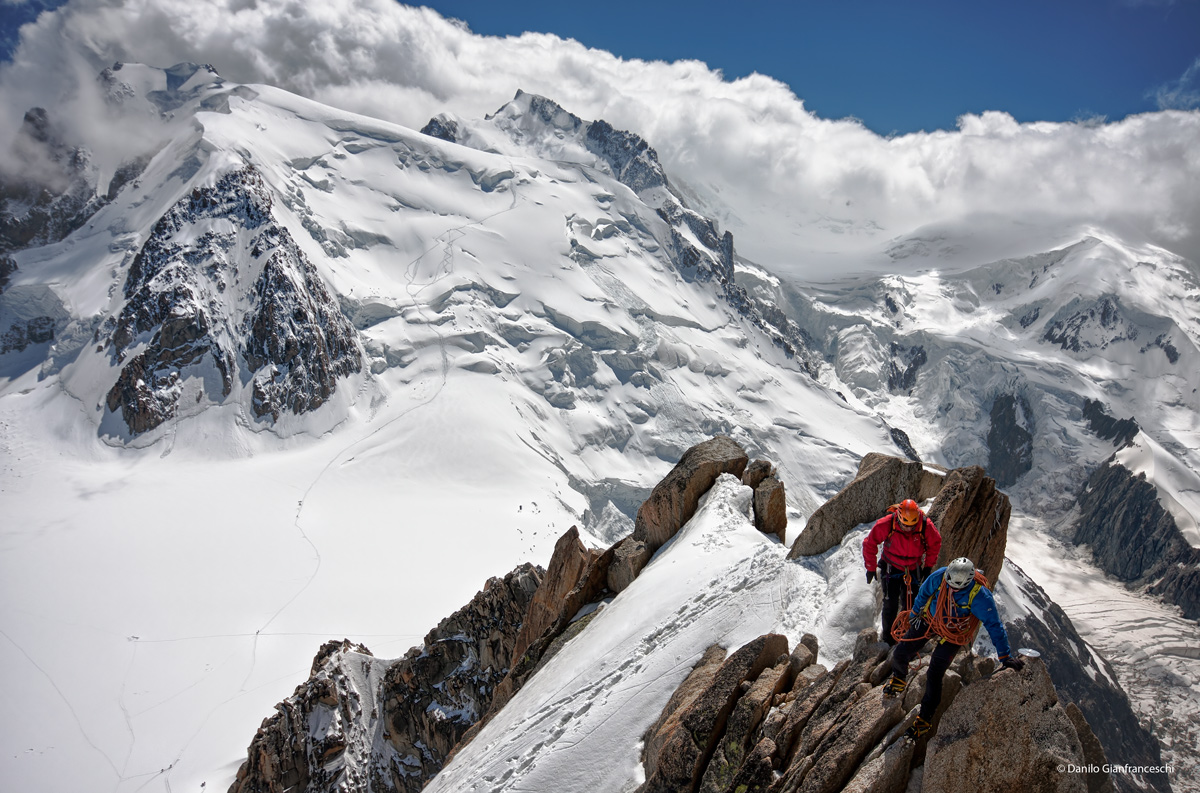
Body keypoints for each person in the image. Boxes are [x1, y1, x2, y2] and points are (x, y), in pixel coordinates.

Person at [882, 556, 1026, 740]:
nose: (952, 589)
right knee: (901, 651)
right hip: (931, 619)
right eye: (950, 584)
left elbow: (994, 625)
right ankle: (899, 678)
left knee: (934, 673)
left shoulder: (980, 596)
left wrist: (1005, 656)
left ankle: (924, 720)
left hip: (954, 633)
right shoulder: (940, 576)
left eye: (958, 587)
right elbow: (924, 593)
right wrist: (915, 614)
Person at [862, 498, 942, 646]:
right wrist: (870, 568)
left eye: (912, 526)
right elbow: (870, 543)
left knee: (911, 605)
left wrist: (928, 567)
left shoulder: (924, 525)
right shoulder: (888, 523)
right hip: (891, 567)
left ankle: (906, 634)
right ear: (899, 518)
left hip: (912, 569)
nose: (908, 529)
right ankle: (888, 638)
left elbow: (935, 544)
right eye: (905, 525)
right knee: (890, 604)